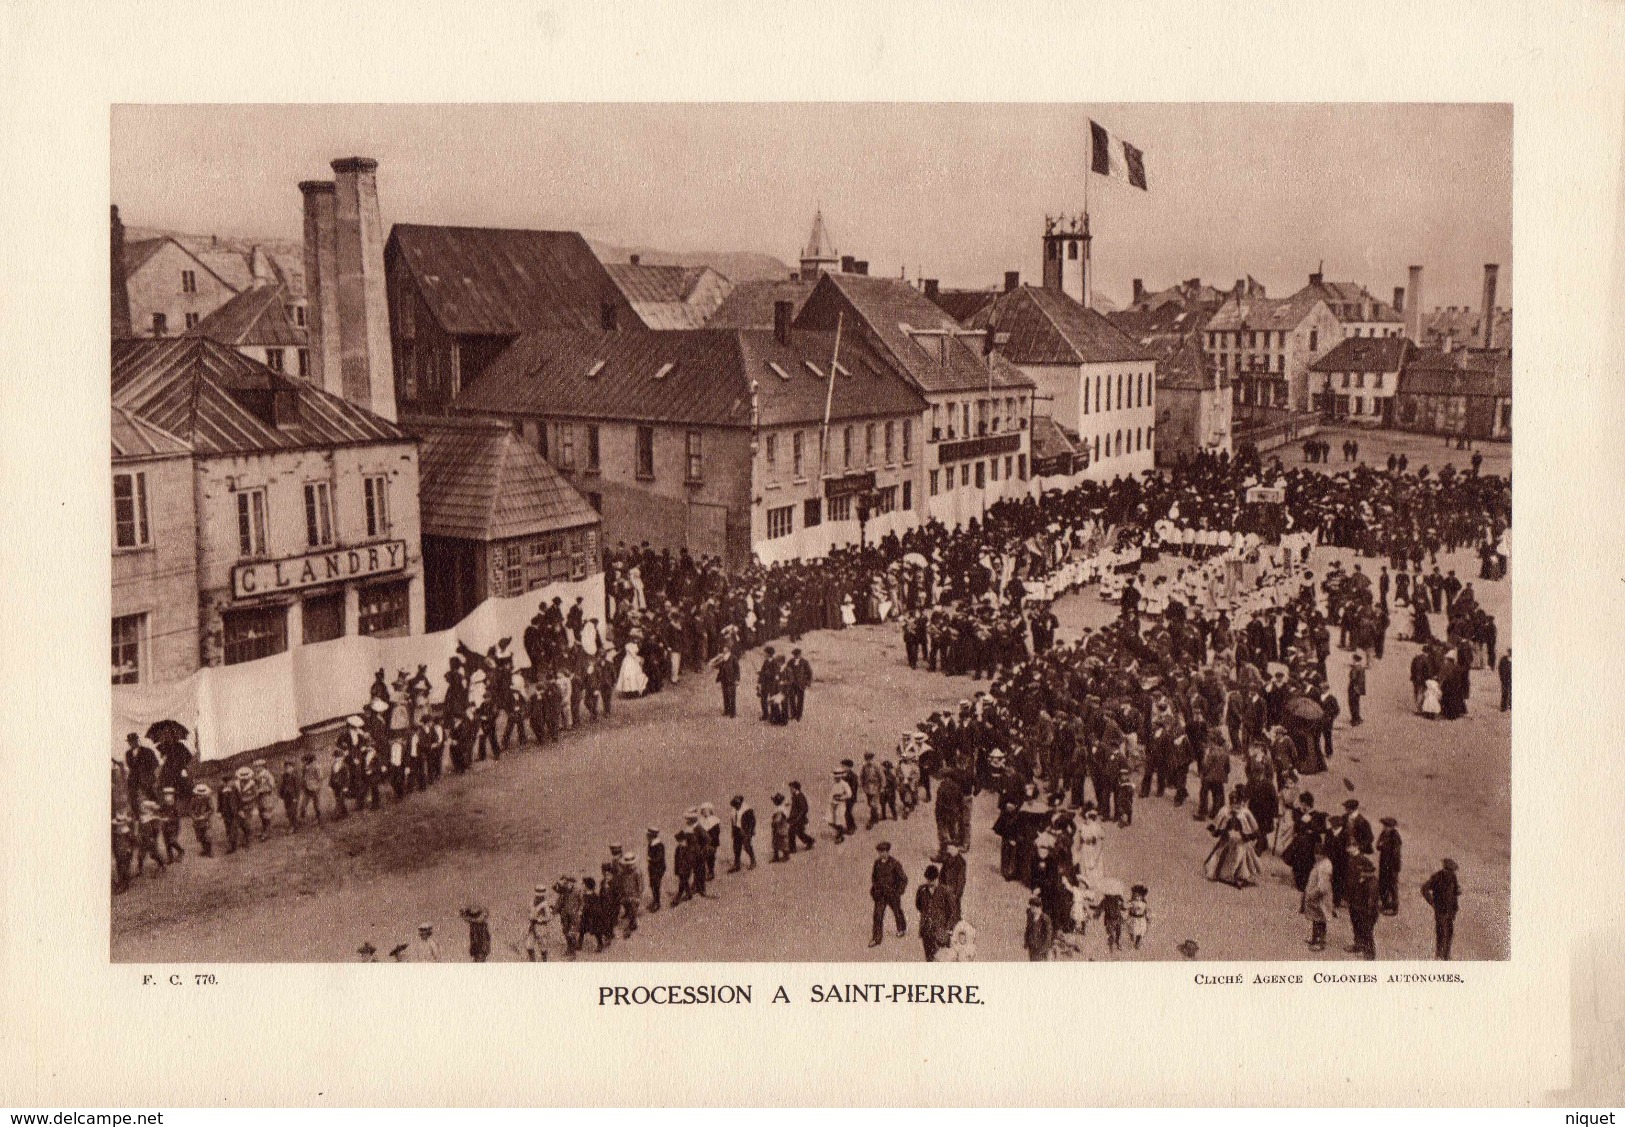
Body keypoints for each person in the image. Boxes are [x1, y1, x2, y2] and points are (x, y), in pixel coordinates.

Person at [868, 841, 908, 947]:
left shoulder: (895, 864)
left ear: (888, 852)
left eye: (885, 851)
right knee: (878, 915)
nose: (883, 854)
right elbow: (874, 877)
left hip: (892, 894)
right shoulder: (877, 863)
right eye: (881, 852)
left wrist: (899, 891)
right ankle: (876, 938)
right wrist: (875, 889)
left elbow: (903, 879)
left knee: (897, 911)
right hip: (880, 895)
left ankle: (902, 928)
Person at [1421, 858, 1461, 960]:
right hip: (1440, 910)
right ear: (1446, 869)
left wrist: (1457, 892)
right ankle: (1439, 954)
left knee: (1450, 932)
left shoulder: (1453, 877)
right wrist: (1432, 902)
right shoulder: (1437, 877)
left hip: (1451, 910)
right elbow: (1424, 888)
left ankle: (1446, 955)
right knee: (1441, 932)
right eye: (1450, 870)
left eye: (1452, 871)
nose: (1451, 873)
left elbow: (1456, 890)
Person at [914, 864, 954, 962]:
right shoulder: (922, 890)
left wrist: (948, 929)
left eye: (933, 880)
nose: (930, 882)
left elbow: (952, 912)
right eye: (928, 879)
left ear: (937, 878)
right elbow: (919, 906)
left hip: (941, 932)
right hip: (927, 931)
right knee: (930, 960)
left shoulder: (945, 891)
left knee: (942, 960)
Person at [1346, 850, 1380, 959]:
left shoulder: (1372, 884)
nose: (1361, 874)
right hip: (1356, 907)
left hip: (1365, 912)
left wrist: (1366, 914)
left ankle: (1370, 953)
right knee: (1357, 927)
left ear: (1368, 872)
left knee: (1367, 932)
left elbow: (1371, 903)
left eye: (1363, 872)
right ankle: (1358, 945)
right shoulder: (1363, 880)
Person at [1303, 841, 1335, 951]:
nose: (1316, 855)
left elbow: (1322, 887)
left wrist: (1312, 894)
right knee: (1315, 919)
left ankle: (1321, 942)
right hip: (1315, 898)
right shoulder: (1321, 863)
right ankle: (1314, 938)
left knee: (1321, 919)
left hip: (1320, 898)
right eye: (1315, 853)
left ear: (1323, 854)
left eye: (1318, 853)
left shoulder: (1325, 866)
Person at [1376, 816, 1403, 915]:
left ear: (1392, 827)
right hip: (1383, 864)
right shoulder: (1383, 834)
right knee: (1382, 885)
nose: (1384, 828)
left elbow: (1396, 854)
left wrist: (1395, 868)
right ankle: (1385, 904)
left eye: (1387, 826)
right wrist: (1382, 846)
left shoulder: (1395, 837)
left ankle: (1394, 908)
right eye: (1384, 825)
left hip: (1392, 866)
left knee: (1392, 886)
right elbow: (1378, 846)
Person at [728, 795, 757, 872]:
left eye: (738, 804)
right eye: (735, 804)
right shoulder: (733, 811)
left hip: (745, 830)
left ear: (741, 802)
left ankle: (753, 861)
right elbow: (733, 822)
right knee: (736, 848)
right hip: (737, 830)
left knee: (747, 846)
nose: (736, 805)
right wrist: (732, 831)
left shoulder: (748, 810)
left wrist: (752, 831)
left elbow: (753, 821)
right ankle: (737, 864)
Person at [524, 886, 553, 962]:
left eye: (540, 895)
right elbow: (529, 912)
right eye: (537, 895)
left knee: (543, 947)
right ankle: (532, 962)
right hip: (532, 926)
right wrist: (530, 917)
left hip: (541, 927)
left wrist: (541, 920)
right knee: (529, 946)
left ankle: (544, 962)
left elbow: (549, 917)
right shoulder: (532, 902)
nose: (539, 897)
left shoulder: (545, 904)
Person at [1023, 894, 1055, 961]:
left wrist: (1044, 948)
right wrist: (1026, 942)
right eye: (1031, 907)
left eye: (1033, 907)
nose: (1032, 909)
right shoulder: (1031, 917)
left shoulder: (1045, 918)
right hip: (1032, 946)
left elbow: (1048, 935)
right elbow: (1027, 930)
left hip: (1041, 948)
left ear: (1039, 907)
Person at [785, 648, 812, 722]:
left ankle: (799, 716)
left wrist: (808, 682)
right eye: (794, 655)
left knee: (800, 700)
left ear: (800, 654)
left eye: (797, 654)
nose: (796, 656)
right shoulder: (790, 662)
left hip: (801, 684)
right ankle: (793, 714)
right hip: (792, 684)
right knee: (792, 699)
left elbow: (809, 672)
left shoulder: (804, 662)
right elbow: (786, 671)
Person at [189, 782, 215, 858]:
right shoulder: (193, 800)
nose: (200, 796)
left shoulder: (208, 799)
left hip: (205, 821)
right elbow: (190, 810)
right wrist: (194, 817)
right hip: (196, 821)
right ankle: (204, 849)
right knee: (200, 836)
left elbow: (211, 809)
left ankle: (209, 851)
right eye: (199, 794)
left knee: (207, 836)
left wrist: (204, 816)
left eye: (202, 794)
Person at [788, 781, 815, 853]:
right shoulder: (795, 796)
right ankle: (810, 841)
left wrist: (797, 818)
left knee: (792, 832)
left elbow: (804, 809)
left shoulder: (800, 796)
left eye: (791, 788)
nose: (790, 790)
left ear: (795, 788)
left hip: (799, 819)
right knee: (799, 833)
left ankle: (792, 849)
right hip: (795, 818)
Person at [715, 647, 741, 718]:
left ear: (729, 650)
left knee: (732, 696)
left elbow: (737, 669)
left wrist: (737, 679)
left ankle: (733, 712)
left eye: (725, 650)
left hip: (731, 679)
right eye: (723, 650)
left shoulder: (733, 658)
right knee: (725, 695)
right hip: (724, 679)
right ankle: (727, 710)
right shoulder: (722, 658)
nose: (724, 651)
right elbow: (718, 667)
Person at [645, 829, 667, 912]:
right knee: (652, 885)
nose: (647, 837)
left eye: (648, 836)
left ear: (652, 836)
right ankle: (654, 900)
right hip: (652, 868)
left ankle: (657, 903)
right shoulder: (651, 843)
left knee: (656, 885)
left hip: (658, 869)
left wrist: (650, 859)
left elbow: (658, 858)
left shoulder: (659, 845)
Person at [829, 769, 853, 844]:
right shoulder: (834, 784)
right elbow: (831, 794)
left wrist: (841, 797)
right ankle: (840, 832)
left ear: (841, 777)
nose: (836, 778)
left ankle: (840, 836)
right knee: (831, 821)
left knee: (839, 820)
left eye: (838, 777)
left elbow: (849, 794)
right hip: (833, 803)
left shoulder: (844, 784)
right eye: (835, 777)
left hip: (841, 804)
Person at [1127, 884, 1150, 950]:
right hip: (1133, 918)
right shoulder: (1132, 902)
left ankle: (1137, 943)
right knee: (1132, 930)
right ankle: (1132, 939)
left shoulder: (1144, 904)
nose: (1137, 897)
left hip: (1141, 919)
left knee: (1140, 931)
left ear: (1142, 896)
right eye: (1136, 895)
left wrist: (1147, 917)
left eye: (1139, 896)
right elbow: (1127, 908)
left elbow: (1146, 911)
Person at [769, 794, 791, 862]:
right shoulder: (782, 807)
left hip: (780, 828)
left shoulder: (779, 810)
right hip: (781, 827)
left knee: (782, 842)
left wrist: (773, 823)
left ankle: (786, 856)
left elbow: (778, 819)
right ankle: (776, 856)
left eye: (774, 800)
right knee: (776, 842)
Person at [1347, 652, 1367, 727]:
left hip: (1353, 688)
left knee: (1352, 704)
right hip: (1359, 689)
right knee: (1357, 703)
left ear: (1355, 660)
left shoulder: (1355, 668)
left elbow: (1353, 677)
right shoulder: (1361, 667)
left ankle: (1354, 719)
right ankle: (1358, 718)